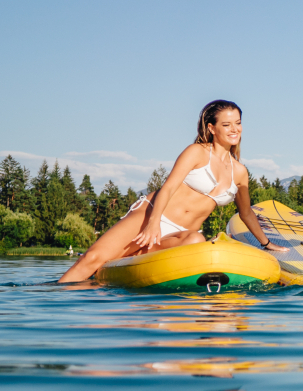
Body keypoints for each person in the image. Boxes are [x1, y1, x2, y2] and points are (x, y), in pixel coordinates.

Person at [57, 100, 276, 283]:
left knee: (196, 240)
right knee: (92, 258)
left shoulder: (239, 172)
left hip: (180, 234)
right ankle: (56, 300)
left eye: (237, 123)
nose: (234, 129)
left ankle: (122, 260)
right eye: (227, 124)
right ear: (211, 128)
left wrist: (266, 244)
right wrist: (153, 224)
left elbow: (246, 213)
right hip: (152, 215)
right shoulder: (197, 152)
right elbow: (168, 187)